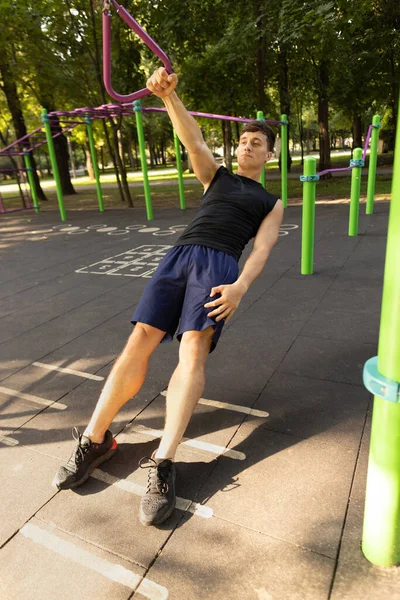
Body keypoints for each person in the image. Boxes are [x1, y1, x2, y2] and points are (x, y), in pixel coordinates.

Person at [53, 67, 284, 527]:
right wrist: (170, 97)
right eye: (243, 140)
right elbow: (193, 140)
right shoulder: (216, 177)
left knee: (193, 348)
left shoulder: (270, 201)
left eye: (257, 143)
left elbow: (262, 249)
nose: (247, 145)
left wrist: (239, 286)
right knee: (139, 339)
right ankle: (96, 439)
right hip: (179, 257)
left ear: (271, 155)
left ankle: (163, 461)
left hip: (219, 266)